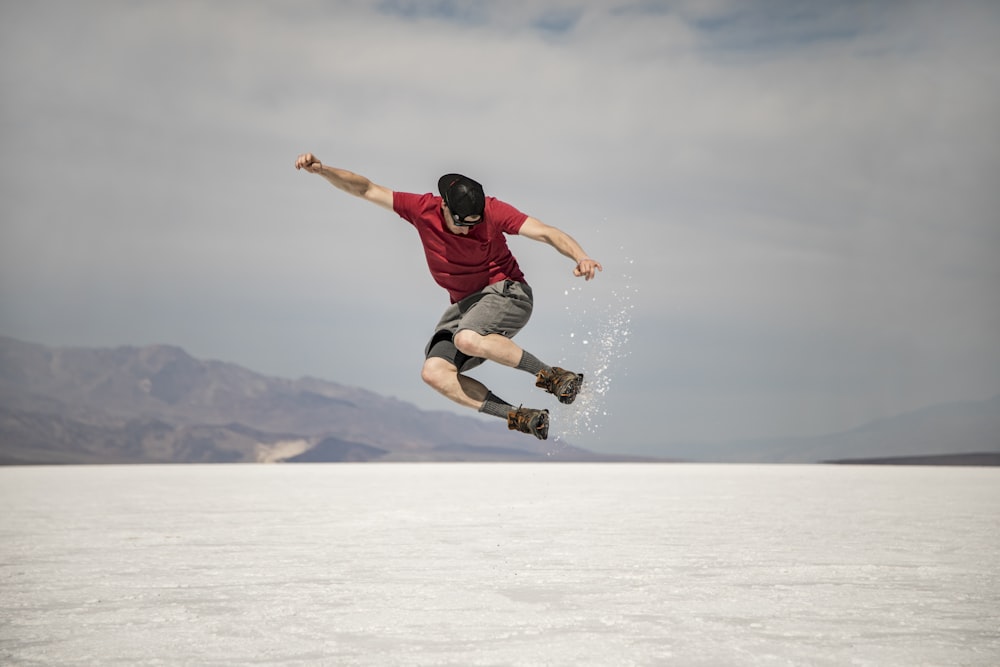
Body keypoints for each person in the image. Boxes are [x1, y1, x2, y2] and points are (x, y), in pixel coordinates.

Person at [294, 153, 603, 440]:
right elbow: (365, 189)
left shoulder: (494, 212)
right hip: (466, 307)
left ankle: (555, 377)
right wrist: (323, 171)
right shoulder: (421, 208)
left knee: (467, 339)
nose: (468, 232)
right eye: (460, 224)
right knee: (434, 373)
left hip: (508, 293)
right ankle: (521, 416)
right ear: (444, 207)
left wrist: (580, 256)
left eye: (474, 224)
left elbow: (546, 231)